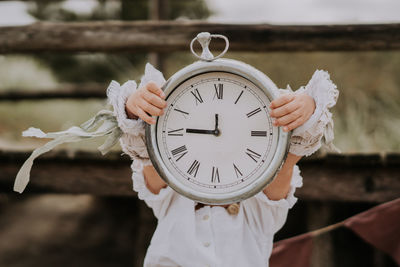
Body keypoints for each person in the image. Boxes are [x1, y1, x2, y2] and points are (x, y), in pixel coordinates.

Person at [106, 63, 339, 267]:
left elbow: (289, 157)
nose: (217, 145)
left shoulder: (260, 209)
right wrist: (135, 108)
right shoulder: (173, 192)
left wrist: (307, 107)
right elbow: (147, 153)